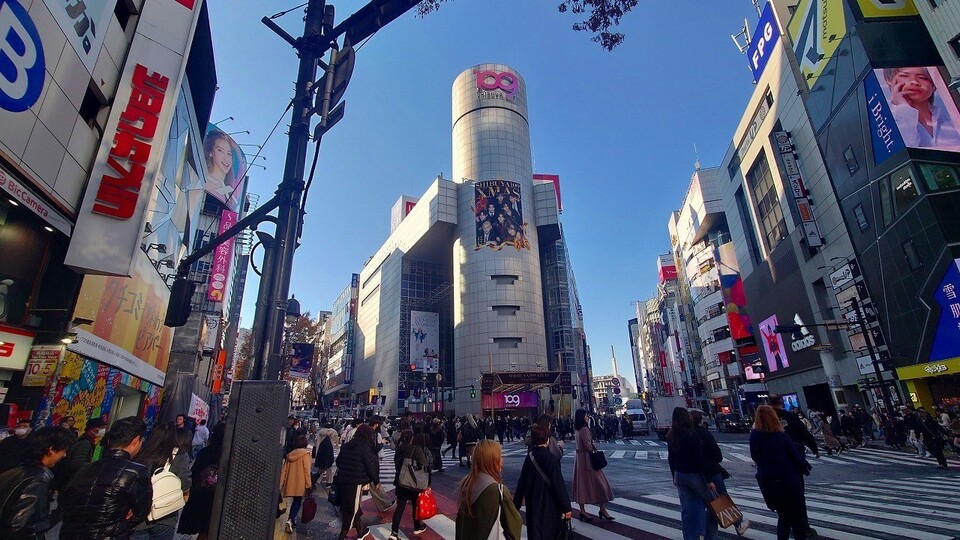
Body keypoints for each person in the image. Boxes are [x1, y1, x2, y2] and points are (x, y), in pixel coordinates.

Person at [60, 417, 153, 539]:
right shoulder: (136, 472)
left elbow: (64, 500)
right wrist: (121, 526)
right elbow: (141, 511)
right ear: (136, 441)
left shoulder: (84, 470)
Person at [750, 405, 811, 540]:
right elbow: (795, 456)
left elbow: (754, 456)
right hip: (788, 479)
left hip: (767, 480)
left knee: (783, 516)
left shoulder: (755, 435)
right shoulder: (781, 436)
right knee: (797, 518)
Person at [0, 426, 73, 539]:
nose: (64, 455)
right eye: (63, 451)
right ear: (51, 450)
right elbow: (21, 526)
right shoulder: (37, 480)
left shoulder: (17, 471)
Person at [689, 410, 750, 538]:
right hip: (711, 473)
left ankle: (709, 535)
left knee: (713, 506)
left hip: (695, 475)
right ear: (700, 420)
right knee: (721, 501)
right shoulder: (704, 434)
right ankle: (738, 523)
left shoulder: (687, 434)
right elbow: (717, 455)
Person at [131, 423, 192, 540]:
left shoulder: (142, 452)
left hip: (138, 515)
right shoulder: (179, 455)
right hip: (165, 516)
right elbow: (185, 482)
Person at [455, 440, 522, 540]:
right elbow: (515, 525)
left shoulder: (467, 485)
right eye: (500, 457)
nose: (502, 461)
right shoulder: (498, 491)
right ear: (492, 460)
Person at [514, 425, 572, 540]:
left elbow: (522, 482)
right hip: (549, 503)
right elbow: (558, 484)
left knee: (535, 533)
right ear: (547, 440)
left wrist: (517, 502)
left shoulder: (529, 457)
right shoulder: (550, 459)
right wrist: (566, 507)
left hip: (533, 503)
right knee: (550, 533)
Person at [883, 67, 960, 151]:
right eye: (904, 76)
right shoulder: (885, 122)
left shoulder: (952, 120)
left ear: (934, 86)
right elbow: (903, 153)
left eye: (922, 78)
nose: (914, 82)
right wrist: (903, 108)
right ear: (889, 80)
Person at [667, 407, 715, 540]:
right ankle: (704, 533)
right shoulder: (691, 434)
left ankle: (690, 537)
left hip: (679, 474)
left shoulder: (671, 435)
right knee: (712, 502)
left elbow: (671, 458)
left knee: (687, 509)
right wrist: (709, 479)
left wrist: (674, 475)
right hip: (694, 474)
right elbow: (699, 458)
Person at [177, 423, 226, 539]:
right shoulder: (228, 455)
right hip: (217, 498)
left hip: (201, 497)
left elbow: (194, 473)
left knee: (203, 532)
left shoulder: (205, 452)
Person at [335, 424, 378, 540]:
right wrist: (376, 481)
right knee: (352, 511)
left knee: (351, 506)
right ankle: (342, 536)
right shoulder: (365, 448)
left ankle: (360, 531)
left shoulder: (346, 446)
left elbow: (338, 461)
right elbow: (371, 467)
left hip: (342, 480)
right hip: (355, 482)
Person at [571, 409, 614, 522]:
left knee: (581, 485)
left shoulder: (577, 430)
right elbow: (588, 447)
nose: (587, 417)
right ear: (582, 417)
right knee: (600, 483)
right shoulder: (585, 429)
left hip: (579, 459)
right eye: (586, 415)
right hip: (587, 460)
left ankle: (583, 511)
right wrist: (593, 444)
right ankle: (602, 509)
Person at [388, 430, 431, 539]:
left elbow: (397, 464)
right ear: (411, 438)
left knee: (400, 507)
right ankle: (417, 527)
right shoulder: (416, 449)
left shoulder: (399, 449)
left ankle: (394, 532)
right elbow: (424, 464)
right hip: (414, 483)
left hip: (401, 481)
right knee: (415, 506)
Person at [280, 435, 313, 533]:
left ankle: (291, 520)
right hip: (300, 483)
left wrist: (280, 484)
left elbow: (284, 470)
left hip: (290, 482)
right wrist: (308, 485)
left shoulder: (290, 455)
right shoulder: (305, 455)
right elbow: (306, 470)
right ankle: (291, 520)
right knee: (297, 502)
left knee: (295, 501)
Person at [314, 423, 338, 487]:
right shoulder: (331, 432)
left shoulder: (320, 432)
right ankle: (328, 481)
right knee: (328, 466)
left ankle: (318, 479)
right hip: (327, 452)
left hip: (319, 451)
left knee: (322, 467)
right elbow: (335, 439)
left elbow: (315, 440)